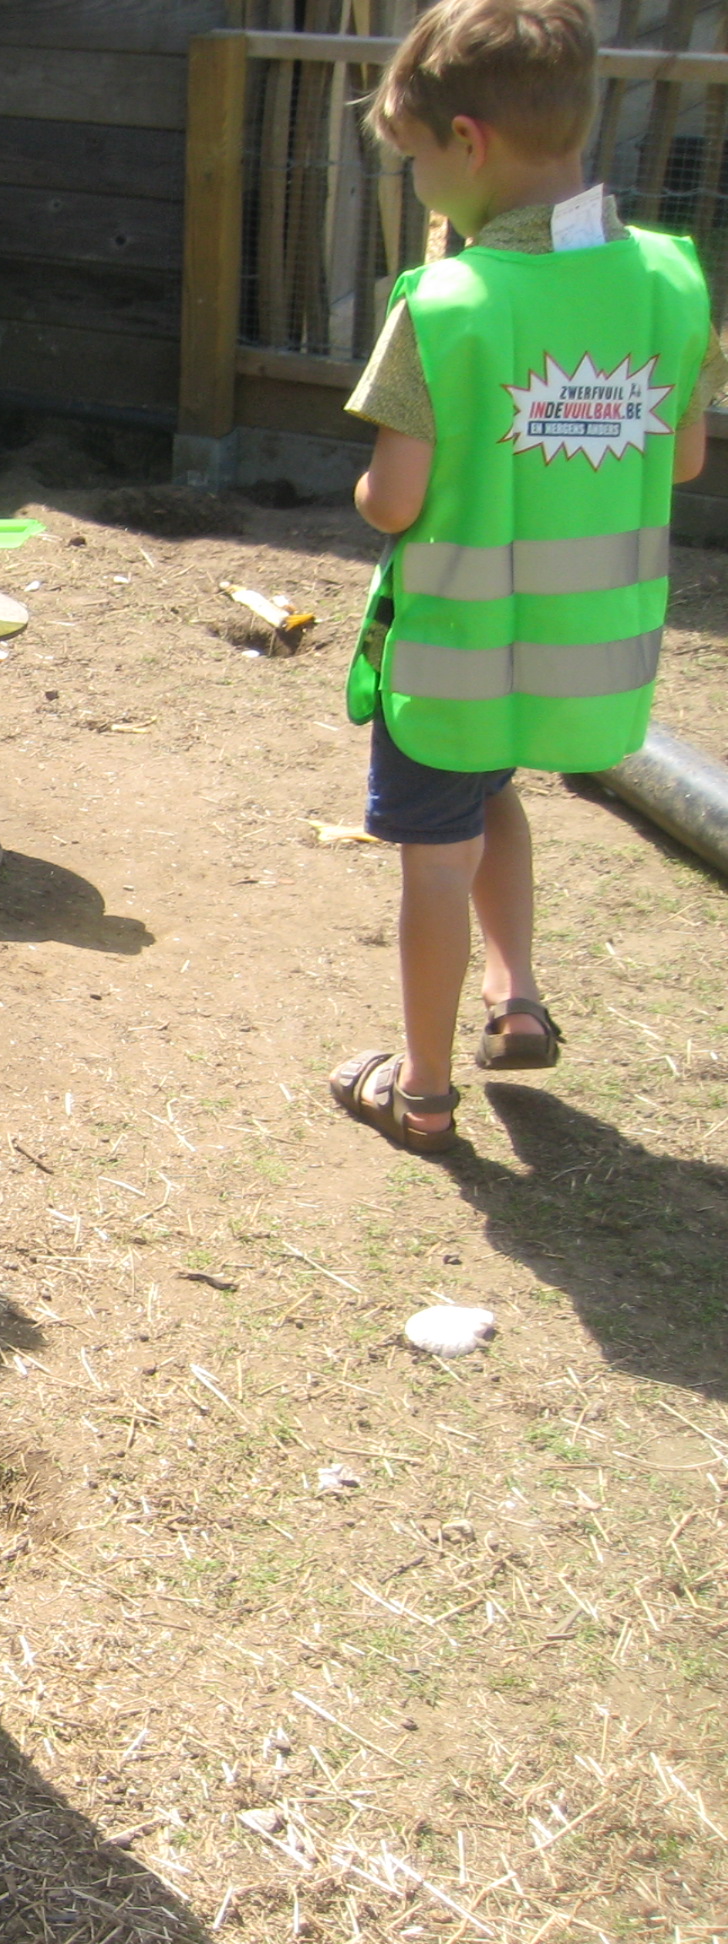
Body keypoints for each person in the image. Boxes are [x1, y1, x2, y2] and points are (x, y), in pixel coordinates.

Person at [333, 0, 722, 1150]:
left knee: (434, 851)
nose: (417, 189)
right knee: (495, 795)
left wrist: (369, 499)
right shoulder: (671, 281)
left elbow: (394, 502)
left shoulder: (445, 306)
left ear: (471, 142)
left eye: (414, 162)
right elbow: (686, 455)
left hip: (455, 656)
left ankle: (422, 1093)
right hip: (581, 658)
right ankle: (519, 996)